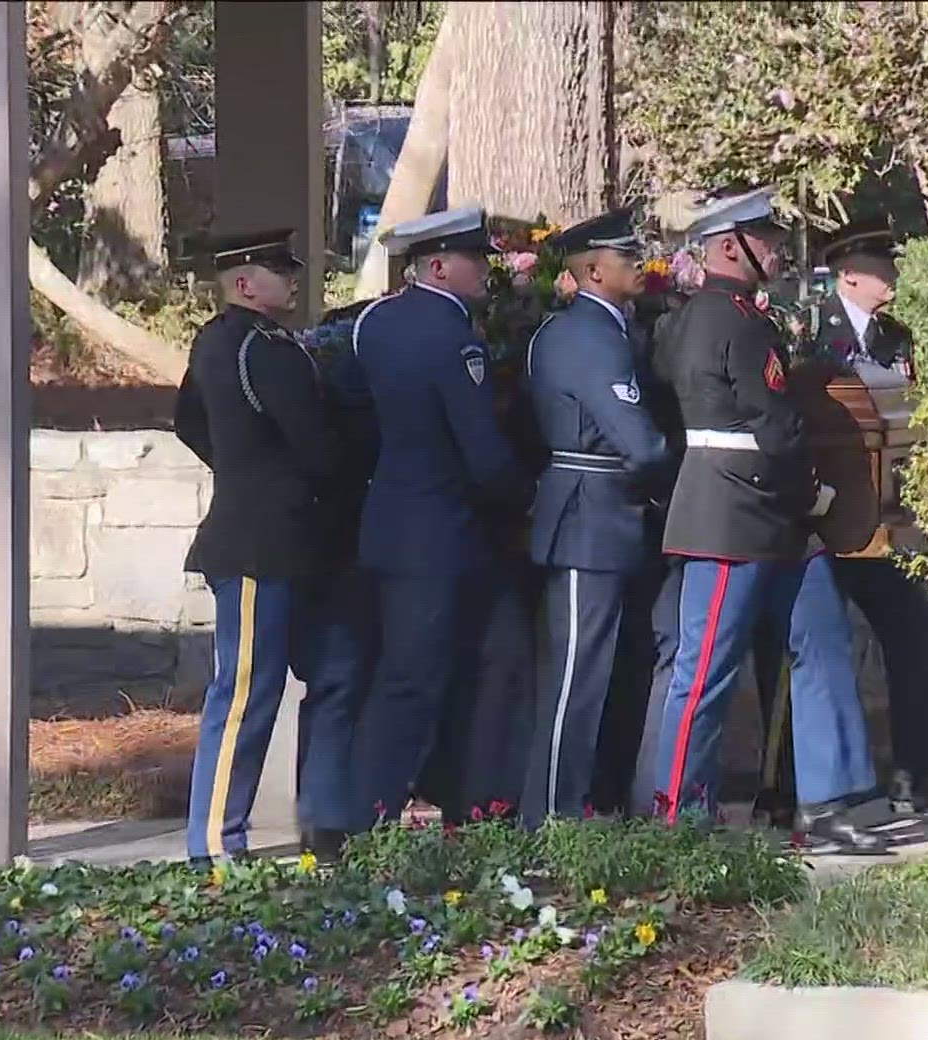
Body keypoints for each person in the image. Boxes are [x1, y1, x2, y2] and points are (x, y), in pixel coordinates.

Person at [642, 187, 886, 853]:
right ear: (730, 247)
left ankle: (832, 797)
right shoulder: (735, 322)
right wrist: (815, 494)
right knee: (706, 669)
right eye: (765, 239)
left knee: (821, 637)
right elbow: (774, 424)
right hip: (734, 513)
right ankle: (678, 817)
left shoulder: (704, 317)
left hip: (764, 511)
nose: (777, 250)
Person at [753, 220, 928, 819]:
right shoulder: (801, 328)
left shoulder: (896, 337)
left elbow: (905, 421)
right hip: (818, 514)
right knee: (805, 649)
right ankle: (786, 790)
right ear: (849, 275)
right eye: (882, 268)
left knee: (918, 628)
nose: (893, 278)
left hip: (882, 519)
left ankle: (926, 772)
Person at [176, 228, 365, 867]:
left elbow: (189, 422)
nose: (292, 278)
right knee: (246, 692)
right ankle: (215, 842)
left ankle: (320, 822)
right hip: (262, 542)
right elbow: (314, 447)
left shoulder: (218, 342)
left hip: (288, 538)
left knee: (327, 675)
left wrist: (240, 467)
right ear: (244, 284)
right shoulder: (266, 350)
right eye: (279, 270)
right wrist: (260, 477)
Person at [345, 207, 533, 826]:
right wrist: (523, 494)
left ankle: (386, 803)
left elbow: (355, 411)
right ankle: (381, 810)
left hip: (390, 520)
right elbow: (479, 447)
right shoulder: (453, 335)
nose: (485, 270)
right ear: (438, 267)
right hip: (443, 532)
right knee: (422, 676)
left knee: (408, 672)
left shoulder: (374, 323)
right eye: (475, 260)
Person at [518, 206, 671, 826]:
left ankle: (583, 801)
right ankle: (551, 815)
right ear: (591, 270)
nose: (638, 264)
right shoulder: (585, 334)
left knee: (602, 671)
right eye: (625, 257)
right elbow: (642, 443)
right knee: (574, 678)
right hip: (588, 516)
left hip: (605, 513)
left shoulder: (606, 329)